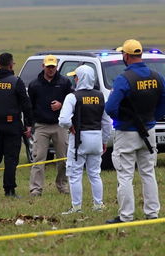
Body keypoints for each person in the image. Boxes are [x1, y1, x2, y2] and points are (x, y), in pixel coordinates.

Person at [105, 39, 165, 223]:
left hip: (126, 132)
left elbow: (110, 108)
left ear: (126, 56)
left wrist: (124, 119)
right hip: (149, 130)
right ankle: (152, 213)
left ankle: (126, 216)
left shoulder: (124, 79)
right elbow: (163, 102)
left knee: (125, 175)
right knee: (148, 172)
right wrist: (151, 117)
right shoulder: (157, 76)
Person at [59, 65, 112, 214]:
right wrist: (104, 140)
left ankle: (76, 207)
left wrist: (70, 126)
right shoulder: (101, 96)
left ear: (79, 78)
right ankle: (98, 205)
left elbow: (63, 119)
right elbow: (107, 122)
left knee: (75, 174)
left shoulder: (72, 97)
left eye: (75, 76)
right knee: (95, 174)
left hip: (79, 139)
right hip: (96, 138)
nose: (74, 79)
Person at [0, 52, 33, 200]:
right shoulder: (16, 81)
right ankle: (9, 190)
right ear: (11, 65)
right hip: (12, 126)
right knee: (11, 159)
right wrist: (29, 124)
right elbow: (26, 105)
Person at [28, 55, 73, 196]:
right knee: (39, 158)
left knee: (63, 159)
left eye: (53, 66)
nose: (51, 69)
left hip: (59, 125)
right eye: (48, 66)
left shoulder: (65, 82)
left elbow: (71, 101)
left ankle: (62, 185)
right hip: (41, 126)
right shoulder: (34, 84)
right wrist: (30, 125)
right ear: (43, 66)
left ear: (56, 67)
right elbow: (30, 106)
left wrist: (61, 105)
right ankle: (36, 188)